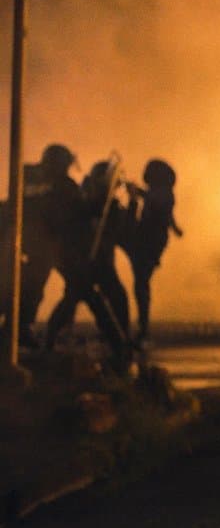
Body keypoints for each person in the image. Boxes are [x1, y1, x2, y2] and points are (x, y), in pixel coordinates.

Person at [45, 159, 133, 373]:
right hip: (80, 261)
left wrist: (131, 204)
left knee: (113, 297)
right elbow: (77, 219)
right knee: (81, 299)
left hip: (100, 262)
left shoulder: (110, 205)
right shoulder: (77, 195)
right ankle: (118, 345)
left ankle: (121, 342)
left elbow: (119, 231)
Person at [0, 144, 81, 348]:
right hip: (31, 242)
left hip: (35, 244)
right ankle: (18, 329)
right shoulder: (45, 180)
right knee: (25, 287)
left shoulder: (33, 175)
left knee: (27, 287)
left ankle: (18, 328)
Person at [122, 159, 183, 345]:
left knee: (141, 283)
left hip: (149, 240)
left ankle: (143, 328)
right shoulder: (164, 193)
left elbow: (156, 203)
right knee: (141, 283)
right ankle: (143, 327)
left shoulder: (163, 194)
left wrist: (136, 192)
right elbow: (166, 213)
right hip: (149, 239)